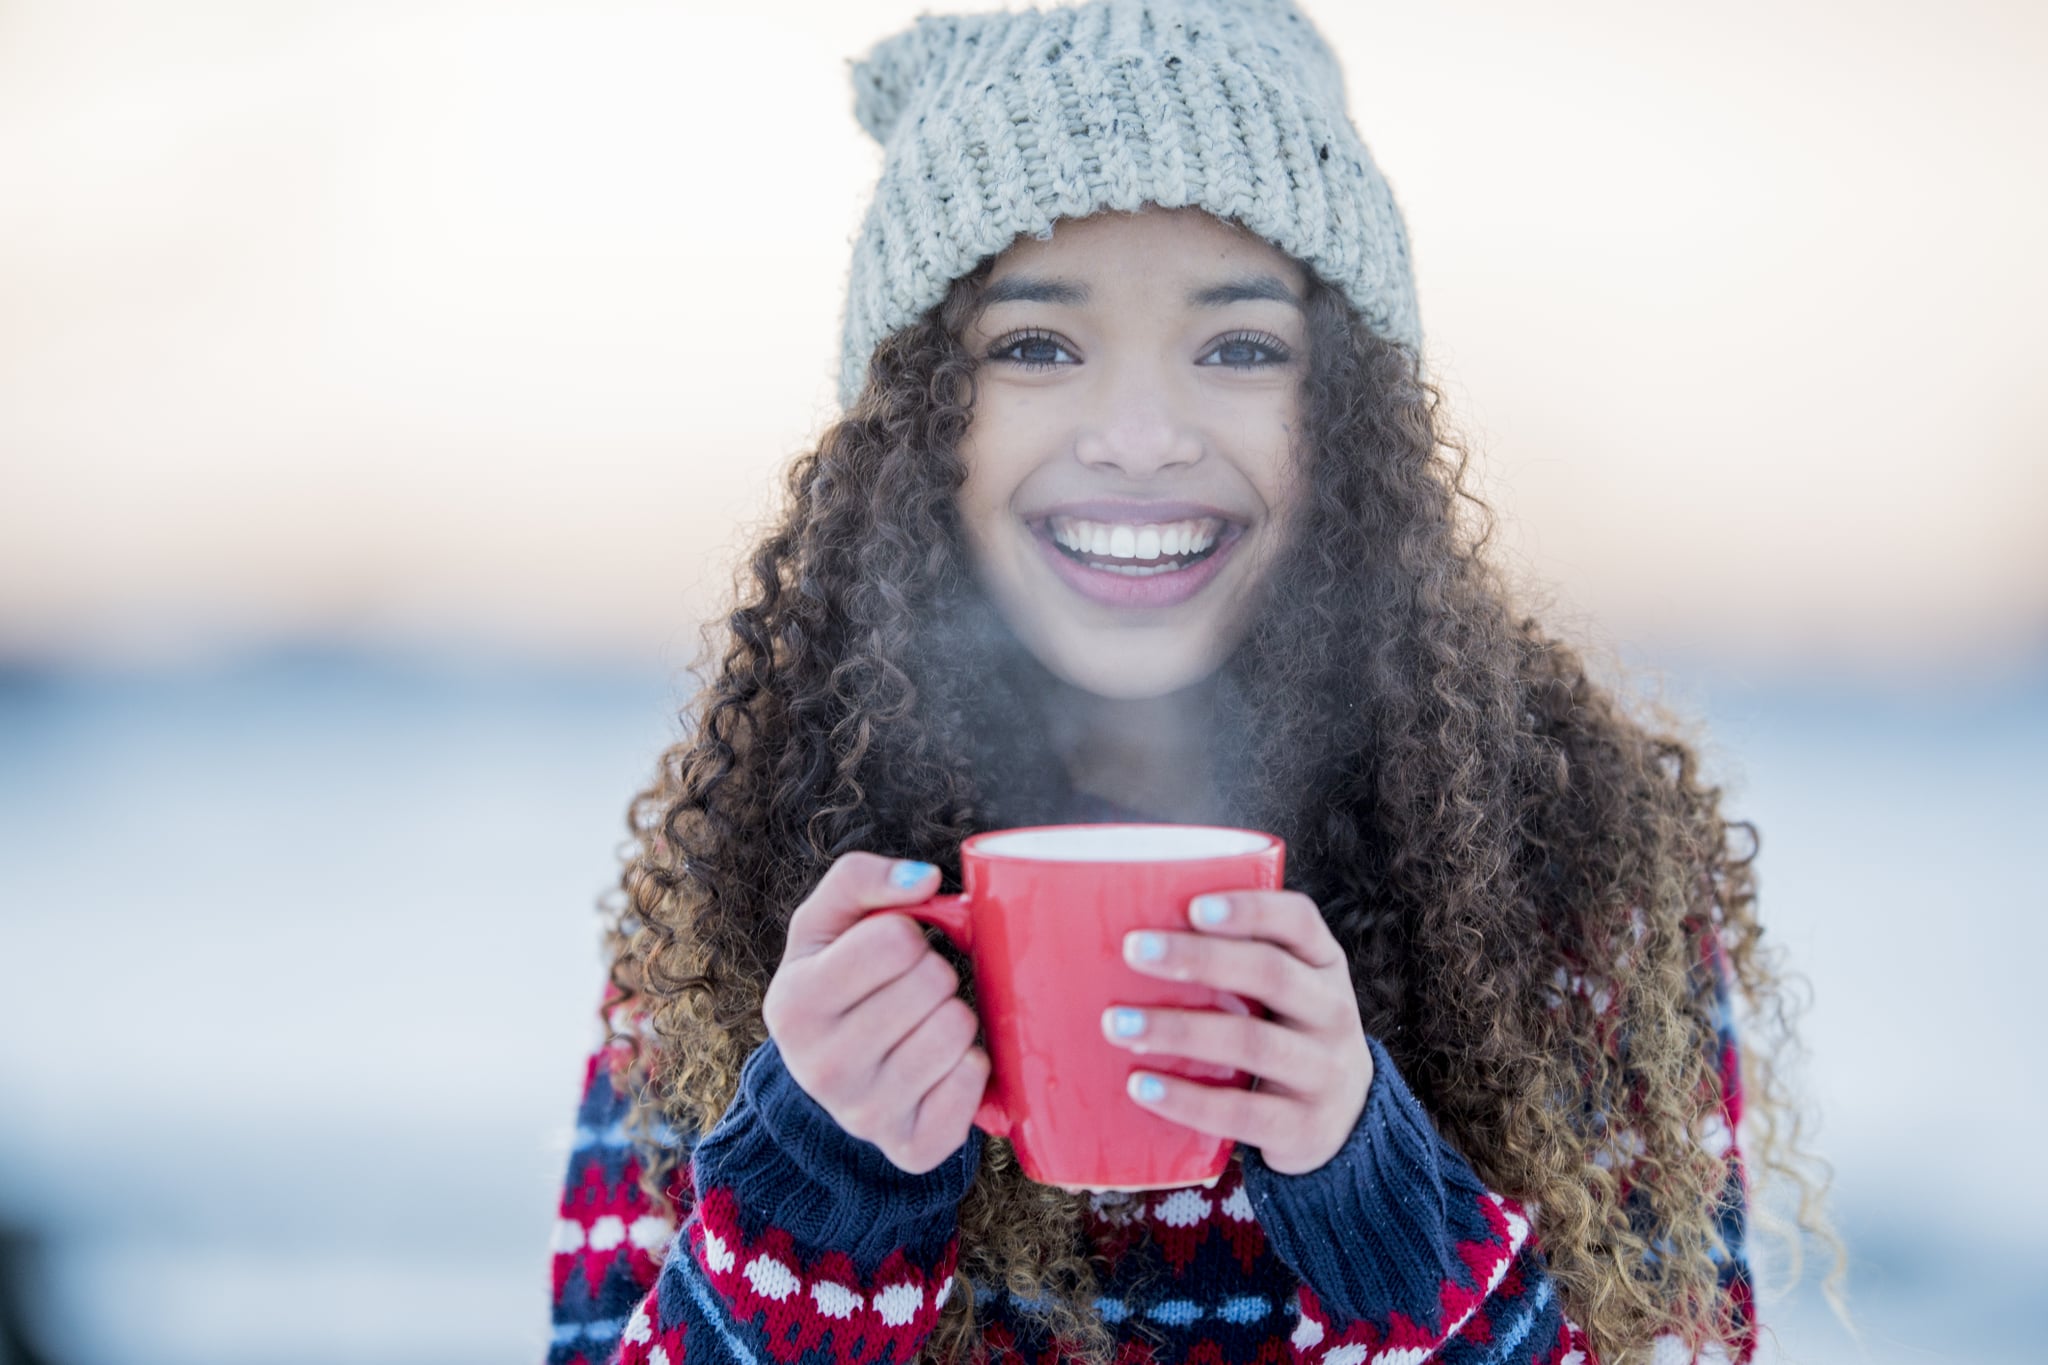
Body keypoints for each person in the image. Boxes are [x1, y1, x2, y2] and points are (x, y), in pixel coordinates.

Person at [545, 2, 1843, 1362]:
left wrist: (1379, 1202)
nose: (1143, 439)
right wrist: (819, 1188)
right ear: (924, 420)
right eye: (1038, 345)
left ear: (1347, 417)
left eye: (1239, 347)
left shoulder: (1570, 880)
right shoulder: (748, 892)